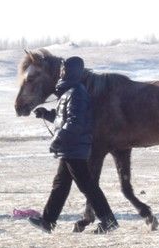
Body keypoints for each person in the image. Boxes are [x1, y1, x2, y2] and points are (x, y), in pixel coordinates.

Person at [29, 56, 118, 234]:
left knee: (87, 186)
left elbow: (75, 123)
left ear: (70, 72)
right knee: (61, 185)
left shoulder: (76, 93)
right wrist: (46, 114)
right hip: (71, 147)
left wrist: (57, 140)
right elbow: (63, 120)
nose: (61, 72)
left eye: (64, 69)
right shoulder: (69, 92)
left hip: (74, 147)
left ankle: (109, 221)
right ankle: (47, 221)